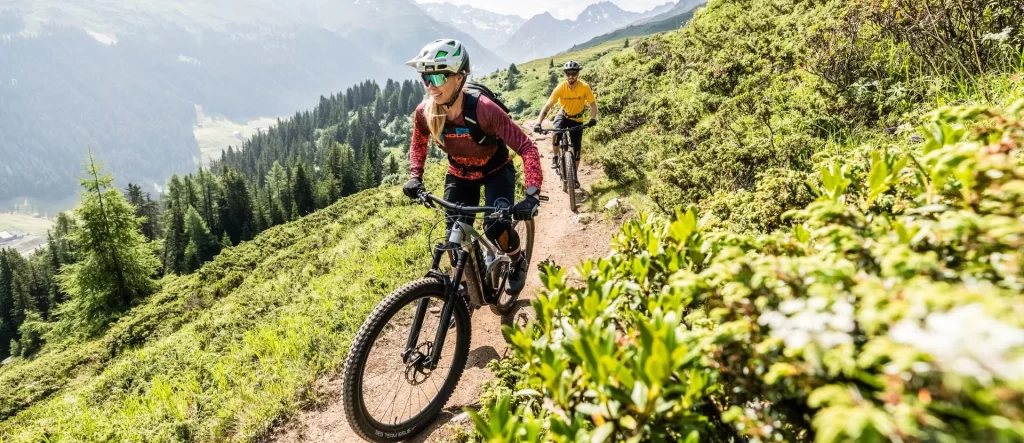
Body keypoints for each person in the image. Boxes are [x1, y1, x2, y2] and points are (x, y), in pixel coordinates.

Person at [402, 39, 543, 296]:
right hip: (459, 174)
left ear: (459, 77)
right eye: (426, 78)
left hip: (495, 171)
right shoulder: (425, 113)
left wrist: (532, 195)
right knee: (452, 238)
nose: (431, 87)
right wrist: (415, 176)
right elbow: (418, 144)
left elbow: (527, 148)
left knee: (496, 226)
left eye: (438, 77)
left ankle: (516, 259)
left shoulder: (485, 110)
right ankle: (463, 295)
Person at [534, 60, 598, 189]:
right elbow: (548, 106)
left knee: (577, 150)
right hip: (563, 115)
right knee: (556, 133)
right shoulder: (561, 87)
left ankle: (574, 176)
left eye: (573, 73)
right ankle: (556, 157)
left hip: (577, 119)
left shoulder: (584, 87)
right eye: (568, 73)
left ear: (578, 74)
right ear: (565, 74)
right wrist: (538, 123)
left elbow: (593, 105)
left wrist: (592, 118)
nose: (571, 76)